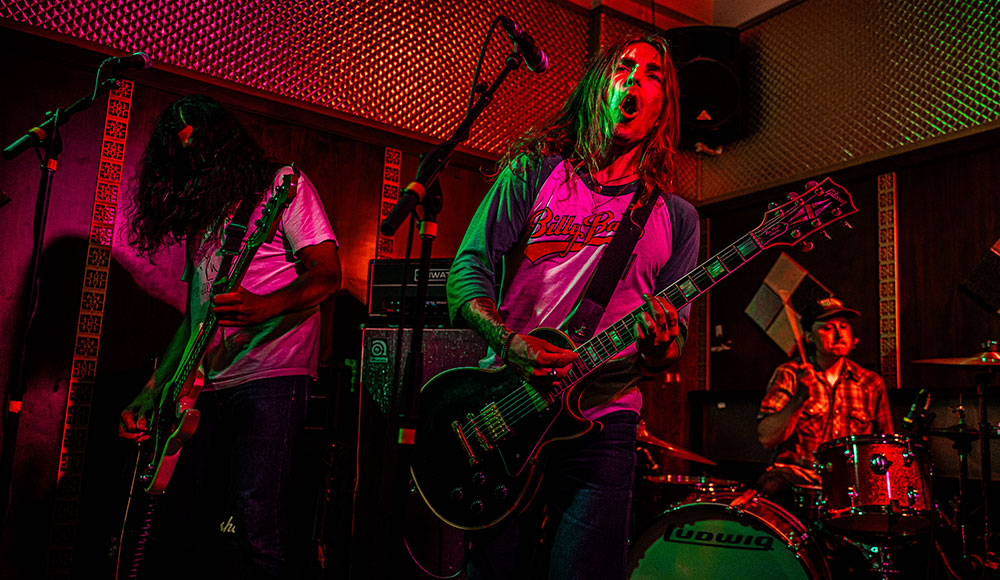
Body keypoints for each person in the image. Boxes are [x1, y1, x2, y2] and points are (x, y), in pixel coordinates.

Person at [445, 35, 700, 580]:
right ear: (600, 88)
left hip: (602, 421)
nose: (635, 77)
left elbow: (668, 351)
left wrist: (660, 347)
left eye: (653, 73)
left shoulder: (677, 219)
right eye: (623, 67)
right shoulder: (535, 172)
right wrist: (509, 344)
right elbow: (467, 273)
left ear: (661, 108)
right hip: (508, 407)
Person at [118, 94, 341, 579]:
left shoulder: (282, 185)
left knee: (259, 528)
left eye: (201, 145)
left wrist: (263, 307)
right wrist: (151, 391)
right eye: (182, 152)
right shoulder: (204, 214)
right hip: (205, 387)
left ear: (225, 140)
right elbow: (193, 319)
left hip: (272, 377)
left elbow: (327, 276)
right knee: (187, 527)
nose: (195, 157)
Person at [755, 296, 894, 506]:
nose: (839, 334)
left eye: (843, 326)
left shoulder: (871, 383)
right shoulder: (790, 374)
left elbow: (885, 446)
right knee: (773, 484)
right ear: (810, 336)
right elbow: (766, 437)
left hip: (851, 486)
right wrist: (801, 396)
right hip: (799, 482)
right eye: (828, 328)